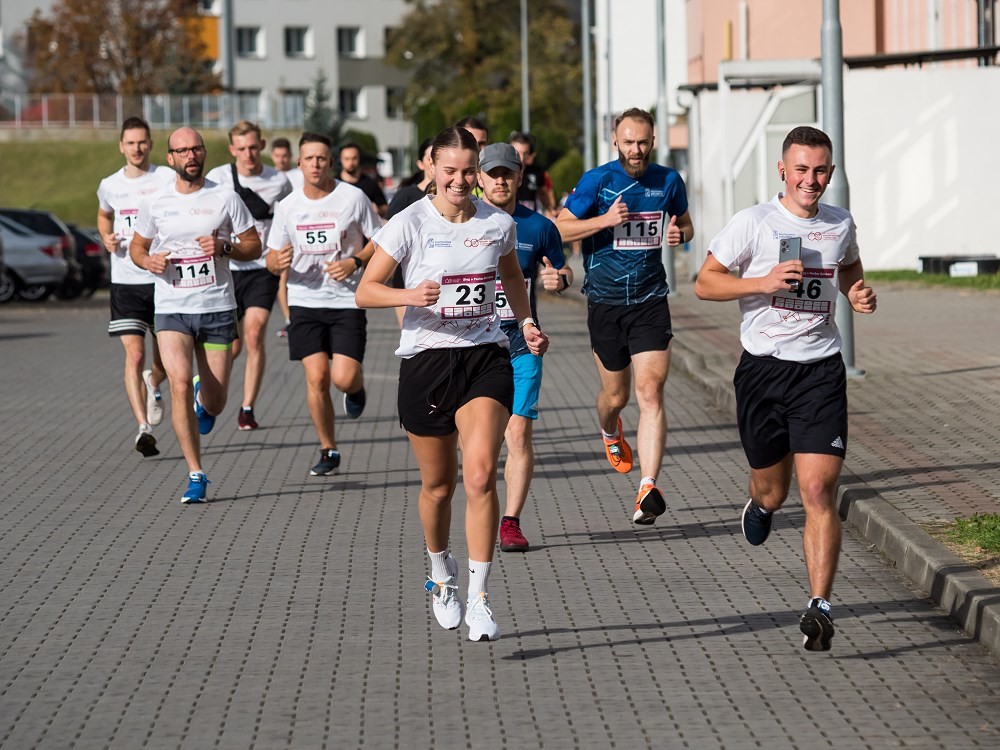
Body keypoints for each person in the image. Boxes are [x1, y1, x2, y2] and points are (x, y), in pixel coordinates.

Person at [355, 126, 549, 642]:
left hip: (485, 356)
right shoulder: (410, 223)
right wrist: (407, 296)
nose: (460, 181)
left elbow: (512, 277)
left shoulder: (498, 223)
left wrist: (526, 321)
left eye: (468, 172)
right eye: (450, 171)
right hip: (426, 361)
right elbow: (365, 291)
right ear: (433, 170)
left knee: (481, 475)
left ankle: (480, 597)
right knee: (439, 487)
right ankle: (441, 573)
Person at [694, 125, 877, 652]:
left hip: (820, 371)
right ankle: (761, 505)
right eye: (801, 170)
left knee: (818, 491)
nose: (810, 180)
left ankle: (820, 606)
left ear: (831, 173)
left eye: (819, 171)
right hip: (763, 371)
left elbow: (848, 265)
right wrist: (763, 282)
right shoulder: (752, 223)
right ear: (783, 170)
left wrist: (856, 293)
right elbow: (705, 282)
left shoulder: (839, 223)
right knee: (773, 490)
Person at [556, 107, 694, 526]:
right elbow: (559, 229)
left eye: (642, 142)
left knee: (650, 393)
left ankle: (647, 488)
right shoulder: (597, 181)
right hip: (605, 302)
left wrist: (680, 234)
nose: (635, 149)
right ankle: (610, 430)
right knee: (616, 397)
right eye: (628, 142)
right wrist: (605, 220)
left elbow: (686, 224)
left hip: (651, 301)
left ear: (653, 141)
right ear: (616, 141)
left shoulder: (668, 181)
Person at [129, 127, 261, 503]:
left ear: (203, 153)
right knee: (179, 385)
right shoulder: (156, 203)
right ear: (170, 158)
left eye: (196, 149)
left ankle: (207, 399)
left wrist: (225, 247)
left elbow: (254, 246)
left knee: (216, 404)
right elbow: (137, 248)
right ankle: (196, 473)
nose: (191, 156)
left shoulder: (225, 197)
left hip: (217, 307)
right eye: (182, 150)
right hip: (172, 308)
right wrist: (148, 261)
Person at [265, 133, 381, 476]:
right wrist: (277, 263)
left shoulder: (353, 197)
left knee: (342, 379)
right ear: (299, 164)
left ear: (330, 162)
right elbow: (271, 258)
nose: (315, 164)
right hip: (305, 300)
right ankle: (328, 448)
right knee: (317, 377)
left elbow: (379, 239)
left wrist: (355, 262)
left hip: (346, 299)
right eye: (309, 158)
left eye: (321, 158)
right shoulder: (287, 207)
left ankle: (356, 389)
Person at [477, 142, 572, 552]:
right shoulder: (464, 223)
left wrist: (559, 280)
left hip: (522, 342)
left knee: (517, 434)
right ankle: (480, 506)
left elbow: (562, 269)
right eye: (493, 174)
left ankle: (511, 522)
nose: (500, 181)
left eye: (507, 174)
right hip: (473, 346)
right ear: (479, 178)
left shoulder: (539, 227)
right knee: (479, 443)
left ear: (519, 177)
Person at [97, 116, 176, 457]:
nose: (137, 148)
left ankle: (153, 381)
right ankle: (143, 427)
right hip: (125, 281)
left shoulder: (166, 177)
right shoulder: (109, 185)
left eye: (142, 142)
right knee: (135, 353)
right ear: (121, 146)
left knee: (166, 361)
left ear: (150, 144)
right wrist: (106, 237)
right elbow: (104, 215)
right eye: (130, 142)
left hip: (161, 280)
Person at [206, 121, 292, 430]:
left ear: (262, 146)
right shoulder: (217, 178)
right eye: (242, 148)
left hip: (261, 268)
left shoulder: (279, 180)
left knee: (255, 334)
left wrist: (284, 250)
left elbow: (289, 215)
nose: (248, 154)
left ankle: (247, 408)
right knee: (233, 347)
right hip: (227, 268)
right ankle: (207, 390)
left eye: (253, 147)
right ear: (233, 150)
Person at [384, 137, 435, 327]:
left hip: (441, 275)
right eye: (430, 157)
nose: (434, 162)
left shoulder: (456, 197)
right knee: (411, 334)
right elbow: (389, 236)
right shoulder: (406, 195)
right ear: (420, 163)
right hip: (407, 279)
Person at [509, 131, 557, 217]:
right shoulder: (503, 172)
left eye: (525, 153)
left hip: (530, 218)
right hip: (510, 217)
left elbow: (543, 193)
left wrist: (551, 209)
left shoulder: (537, 171)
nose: (522, 158)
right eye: (518, 153)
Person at [338, 142, 388, 218]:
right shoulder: (334, 184)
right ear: (341, 159)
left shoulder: (370, 184)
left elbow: (384, 207)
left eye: (354, 158)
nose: (351, 163)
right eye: (347, 159)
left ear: (359, 159)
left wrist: (378, 210)